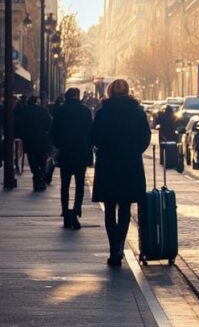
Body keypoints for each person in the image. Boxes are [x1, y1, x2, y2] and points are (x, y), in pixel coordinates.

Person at [91, 79, 150, 267]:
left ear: (110, 92)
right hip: (129, 164)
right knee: (124, 208)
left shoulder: (102, 112)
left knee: (109, 208)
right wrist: (134, 151)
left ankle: (112, 247)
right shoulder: (137, 113)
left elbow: (94, 136)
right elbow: (145, 137)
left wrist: (105, 149)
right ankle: (119, 246)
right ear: (128, 91)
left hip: (108, 164)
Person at [51, 88, 93, 230]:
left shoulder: (61, 111)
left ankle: (65, 212)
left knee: (65, 184)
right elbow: (91, 132)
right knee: (80, 185)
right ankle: (76, 211)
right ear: (77, 96)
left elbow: (54, 131)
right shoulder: (85, 111)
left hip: (66, 152)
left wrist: (58, 145)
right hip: (81, 152)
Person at [20, 96, 53, 191]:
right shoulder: (43, 110)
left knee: (32, 160)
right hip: (42, 140)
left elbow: (22, 126)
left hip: (30, 140)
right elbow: (49, 124)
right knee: (42, 161)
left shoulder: (25, 112)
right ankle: (40, 179)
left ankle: (36, 177)